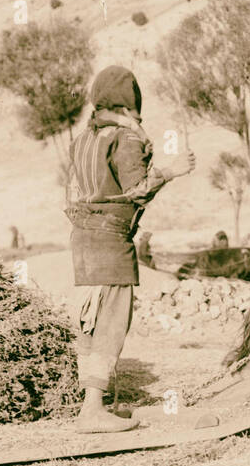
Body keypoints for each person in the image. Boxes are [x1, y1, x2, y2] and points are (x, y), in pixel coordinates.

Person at [66, 65, 195, 432]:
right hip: (112, 238)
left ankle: (93, 404)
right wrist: (170, 171)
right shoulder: (125, 139)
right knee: (111, 321)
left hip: (82, 235)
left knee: (90, 320)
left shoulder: (82, 140)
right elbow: (135, 189)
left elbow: (78, 193)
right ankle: (92, 411)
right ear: (128, 106)